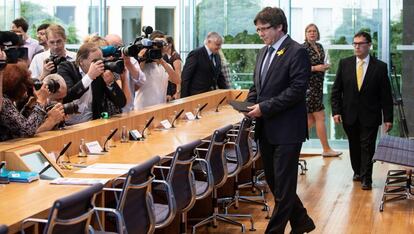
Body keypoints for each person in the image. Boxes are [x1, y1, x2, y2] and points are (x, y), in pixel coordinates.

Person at [246, 7, 315, 233]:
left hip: (287, 129)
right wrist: (249, 104)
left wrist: (263, 107)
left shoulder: (297, 52)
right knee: (276, 184)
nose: (260, 34)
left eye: (264, 29)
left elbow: (297, 90)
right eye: (258, 30)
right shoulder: (264, 52)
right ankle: (303, 221)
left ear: (279, 27)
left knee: (284, 187)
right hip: (266, 129)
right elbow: (258, 85)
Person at [331, 31, 393, 190]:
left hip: (370, 114)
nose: (357, 47)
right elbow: (336, 90)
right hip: (349, 114)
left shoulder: (380, 67)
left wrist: (388, 118)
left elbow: (385, 95)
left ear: (369, 45)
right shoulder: (345, 63)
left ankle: (367, 178)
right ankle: (357, 171)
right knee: (354, 144)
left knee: (368, 145)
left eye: (360, 44)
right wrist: (336, 111)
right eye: (355, 44)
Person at [57, 42, 126, 125]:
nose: (99, 64)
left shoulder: (101, 74)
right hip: (68, 125)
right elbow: (68, 96)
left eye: (101, 60)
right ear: (81, 61)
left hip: (91, 124)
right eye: (95, 61)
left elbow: (121, 103)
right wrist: (89, 77)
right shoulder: (66, 67)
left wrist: (110, 83)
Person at [303, 23, 342, 157]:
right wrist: (316, 68)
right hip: (309, 88)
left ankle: (290, 143)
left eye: (314, 31)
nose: (312, 33)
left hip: (318, 86)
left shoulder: (319, 47)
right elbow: (299, 69)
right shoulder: (303, 48)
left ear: (317, 33)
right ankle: (326, 149)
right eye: (309, 31)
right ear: (306, 34)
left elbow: (322, 63)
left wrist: (325, 66)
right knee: (320, 116)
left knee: (310, 120)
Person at [0, 62, 65, 141]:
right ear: (17, 87)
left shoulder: (6, 99)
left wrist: (28, 107)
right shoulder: (4, 102)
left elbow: (17, 124)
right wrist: (41, 101)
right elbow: (27, 130)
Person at [133, 32, 180, 110]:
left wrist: (161, 60)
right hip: (142, 109)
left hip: (160, 108)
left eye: (163, 44)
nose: (161, 47)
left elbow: (177, 80)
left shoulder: (166, 65)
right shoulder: (144, 64)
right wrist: (142, 58)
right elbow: (135, 80)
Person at [105, 33, 145, 112]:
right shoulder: (102, 62)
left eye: (120, 46)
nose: (117, 49)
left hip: (127, 109)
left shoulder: (130, 60)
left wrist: (128, 63)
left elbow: (141, 80)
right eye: (114, 46)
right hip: (108, 110)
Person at [181, 32, 229, 97]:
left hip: (211, 96)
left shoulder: (217, 56)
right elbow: (186, 77)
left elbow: (220, 77)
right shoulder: (196, 54)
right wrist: (184, 99)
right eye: (217, 44)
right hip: (196, 96)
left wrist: (227, 93)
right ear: (209, 42)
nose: (219, 47)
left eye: (220, 45)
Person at [164, 36, 182, 101]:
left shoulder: (175, 57)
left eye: (165, 44)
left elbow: (178, 75)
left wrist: (177, 92)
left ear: (170, 44)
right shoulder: (165, 56)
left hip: (174, 89)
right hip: (168, 88)